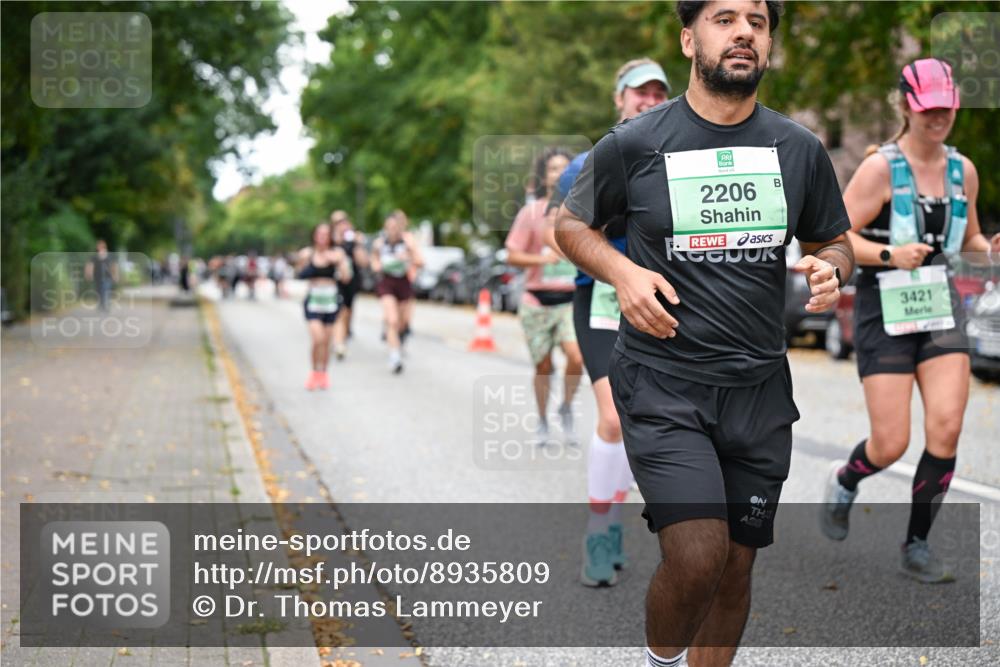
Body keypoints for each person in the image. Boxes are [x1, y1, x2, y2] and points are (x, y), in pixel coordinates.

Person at [556, 2, 855, 665]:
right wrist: (624, 273)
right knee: (697, 557)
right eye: (725, 18)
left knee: (737, 566)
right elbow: (569, 225)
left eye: (758, 19)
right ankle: (659, 658)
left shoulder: (798, 149)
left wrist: (830, 269)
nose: (744, 30)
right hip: (664, 384)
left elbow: (833, 240)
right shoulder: (636, 142)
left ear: (770, 41)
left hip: (758, 391)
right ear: (690, 38)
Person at [820, 58, 1000, 583]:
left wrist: (989, 249)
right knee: (890, 443)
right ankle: (847, 477)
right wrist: (888, 256)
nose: (938, 117)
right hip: (885, 303)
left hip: (939, 302)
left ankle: (916, 543)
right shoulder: (880, 168)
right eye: (928, 109)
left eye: (946, 108)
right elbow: (836, 235)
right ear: (905, 105)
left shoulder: (961, 170)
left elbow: (965, 242)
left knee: (946, 427)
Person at [547, 58, 670, 588]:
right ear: (618, 100)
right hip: (600, 302)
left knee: (642, 424)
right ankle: (599, 531)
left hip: (662, 304)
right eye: (637, 93)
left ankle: (616, 514)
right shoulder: (588, 164)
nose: (647, 100)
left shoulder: (681, 160)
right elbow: (571, 230)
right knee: (615, 418)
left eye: (656, 93)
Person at [506, 148, 583, 445]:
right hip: (537, 300)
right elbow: (512, 255)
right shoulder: (531, 213)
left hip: (570, 300)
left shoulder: (582, 209)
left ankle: (565, 407)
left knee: (576, 357)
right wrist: (543, 260)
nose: (559, 174)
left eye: (565, 168)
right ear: (544, 176)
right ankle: (541, 420)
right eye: (553, 169)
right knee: (543, 366)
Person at [296, 223, 351, 390]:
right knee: (317, 339)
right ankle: (314, 371)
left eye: (326, 234)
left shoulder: (337, 254)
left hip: (330, 301)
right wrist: (303, 262)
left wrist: (339, 263)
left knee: (326, 341)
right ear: (314, 235)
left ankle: (323, 374)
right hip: (313, 300)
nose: (322, 237)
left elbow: (346, 277)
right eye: (319, 233)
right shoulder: (307, 253)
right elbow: (299, 273)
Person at [371, 214, 420, 373]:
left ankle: (396, 341)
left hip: (403, 283)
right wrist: (378, 265)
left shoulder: (407, 242)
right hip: (387, 283)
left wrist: (408, 255)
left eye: (395, 227)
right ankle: (395, 356)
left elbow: (420, 261)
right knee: (392, 320)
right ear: (385, 228)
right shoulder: (379, 243)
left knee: (401, 322)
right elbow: (374, 262)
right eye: (389, 227)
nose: (392, 230)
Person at [331, 210, 369, 360]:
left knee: (347, 310)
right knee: (339, 311)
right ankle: (338, 342)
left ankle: (343, 334)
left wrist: (357, 243)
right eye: (337, 223)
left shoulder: (352, 240)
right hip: (334, 281)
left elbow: (364, 262)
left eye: (343, 222)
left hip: (351, 280)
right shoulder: (329, 239)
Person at [85, 239, 117, 311]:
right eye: (98, 246)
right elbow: (90, 265)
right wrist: (89, 274)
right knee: (99, 291)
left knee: (105, 290)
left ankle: (106, 306)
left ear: (104, 246)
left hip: (107, 277)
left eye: (101, 246)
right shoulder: (95, 257)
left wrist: (114, 275)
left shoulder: (109, 256)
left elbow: (113, 266)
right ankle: (102, 304)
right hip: (98, 277)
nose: (99, 247)